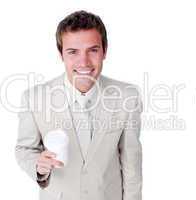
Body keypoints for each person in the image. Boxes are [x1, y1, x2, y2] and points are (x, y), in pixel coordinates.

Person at [15, 10, 143, 200]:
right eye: (73, 52)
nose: (83, 62)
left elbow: (131, 163)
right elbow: (24, 149)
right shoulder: (34, 99)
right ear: (61, 54)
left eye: (93, 50)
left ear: (105, 51)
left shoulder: (127, 96)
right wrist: (37, 165)